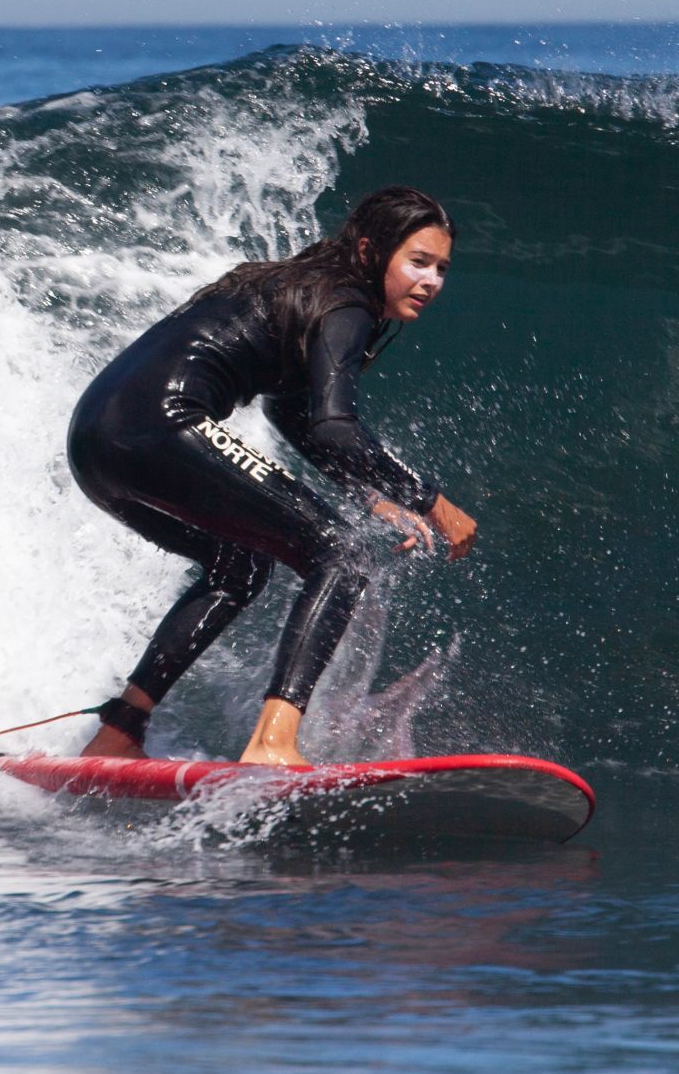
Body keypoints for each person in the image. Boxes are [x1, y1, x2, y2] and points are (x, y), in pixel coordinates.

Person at [68, 185, 478, 768]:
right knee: (341, 555)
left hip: (96, 439)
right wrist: (431, 500)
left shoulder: (306, 288)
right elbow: (337, 428)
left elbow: (290, 409)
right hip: (161, 422)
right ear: (369, 251)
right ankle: (272, 741)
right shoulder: (347, 304)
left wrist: (372, 496)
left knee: (237, 564)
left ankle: (119, 731)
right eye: (417, 262)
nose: (432, 281)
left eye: (441, 268)